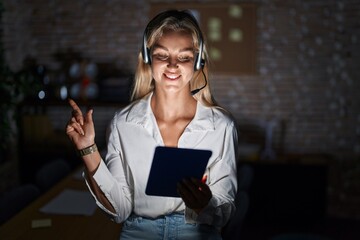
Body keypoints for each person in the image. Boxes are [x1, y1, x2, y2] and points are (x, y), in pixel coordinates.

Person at [65, 9, 238, 240]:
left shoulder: (221, 126)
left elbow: (223, 214)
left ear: (197, 61)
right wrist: (88, 149)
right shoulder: (123, 123)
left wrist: (206, 205)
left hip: (197, 232)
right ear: (148, 58)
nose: (173, 65)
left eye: (184, 56)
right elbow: (119, 211)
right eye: (162, 55)